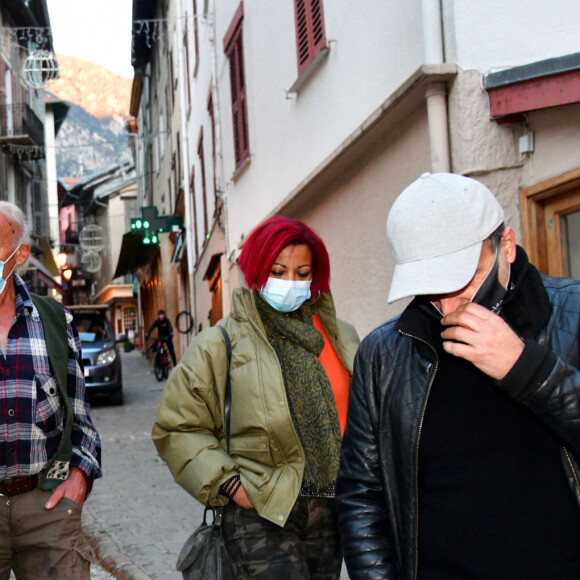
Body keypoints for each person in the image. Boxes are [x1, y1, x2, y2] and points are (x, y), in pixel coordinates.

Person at [336, 172, 580, 579]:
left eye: (463, 280)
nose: (449, 307)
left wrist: (525, 368)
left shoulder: (572, 311)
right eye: (431, 287)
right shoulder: (384, 353)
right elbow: (362, 494)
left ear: (505, 245)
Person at [152, 216, 360, 579]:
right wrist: (231, 485)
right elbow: (177, 428)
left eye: (302, 272)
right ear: (257, 270)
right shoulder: (220, 344)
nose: (290, 283)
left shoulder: (340, 336)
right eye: (278, 271)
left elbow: (362, 419)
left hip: (331, 511)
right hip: (261, 514)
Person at [0, 202, 102, 579]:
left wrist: (80, 478)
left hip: (46, 507)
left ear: (19, 252)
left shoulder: (54, 320)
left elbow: (82, 421)